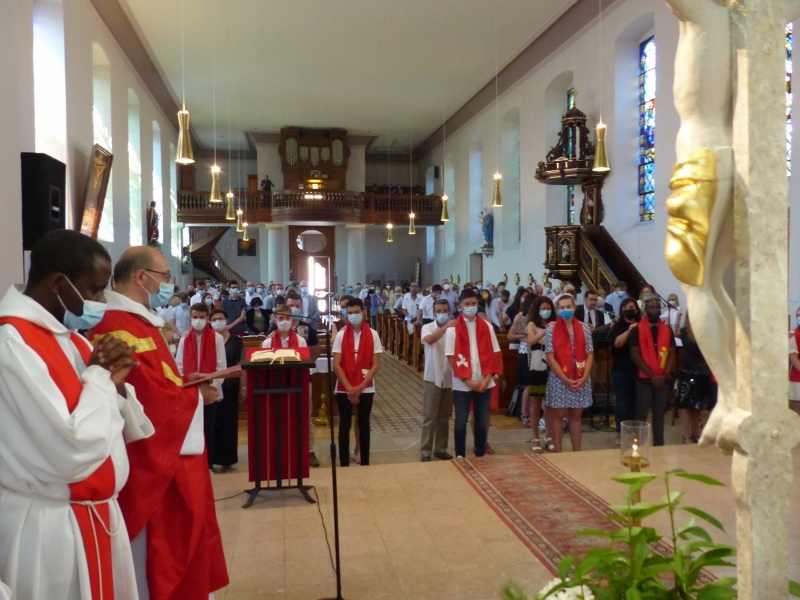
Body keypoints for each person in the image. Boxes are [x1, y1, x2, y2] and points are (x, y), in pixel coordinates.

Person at [0, 230, 151, 600]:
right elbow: (70, 450)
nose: (101, 302)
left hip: (98, 514)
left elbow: (124, 421)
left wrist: (117, 382)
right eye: (94, 290)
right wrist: (100, 376)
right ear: (58, 283)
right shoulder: (12, 344)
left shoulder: (72, 338)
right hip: (51, 527)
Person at [91, 246, 228, 599]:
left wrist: (185, 384)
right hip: (152, 464)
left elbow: (159, 384)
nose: (169, 284)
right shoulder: (117, 326)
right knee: (157, 564)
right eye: (165, 276)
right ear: (141, 277)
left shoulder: (140, 322)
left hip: (171, 452)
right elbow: (146, 399)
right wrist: (197, 397)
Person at [265, 290, 321, 467]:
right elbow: (263, 359)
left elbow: (310, 354)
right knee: (279, 417)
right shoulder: (270, 337)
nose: (284, 321)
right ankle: (282, 450)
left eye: (287, 318)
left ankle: (308, 450)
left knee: (304, 416)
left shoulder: (302, 337)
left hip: (300, 379)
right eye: (280, 318)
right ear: (275, 319)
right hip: (277, 382)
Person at [445, 289, 502, 459]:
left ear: (477, 304)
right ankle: (460, 453)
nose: (470, 307)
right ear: (460, 305)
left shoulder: (487, 326)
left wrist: (487, 379)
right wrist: (466, 379)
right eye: (467, 304)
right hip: (462, 382)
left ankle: (480, 452)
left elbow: (494, 353)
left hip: (484, 380)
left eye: (473, 303)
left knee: (481, 420)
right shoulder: (453, 328)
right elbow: (451, 356)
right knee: (461, 420)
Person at [175, 302, 226, 469]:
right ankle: (193, 467)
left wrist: (210, 388)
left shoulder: (217, 338)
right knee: (191, 430)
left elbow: (221, 367)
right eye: (195, 317)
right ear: (190, 318)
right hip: (189, 392)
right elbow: (179, 366)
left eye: (202, 317)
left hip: (210, 393)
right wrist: (188, 384)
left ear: (207, 318)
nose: (198, 320)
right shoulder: (184, 339)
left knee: (208, 430)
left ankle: (208, 465)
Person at [332, 298, 383, 466]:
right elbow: (336, 364)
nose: (353, 315)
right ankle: (344, 462)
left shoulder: (373, 334)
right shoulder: (341, 335)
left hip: (365, 386)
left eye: (356, 312)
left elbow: (375, 364)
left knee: (364, 424)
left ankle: (365, 460)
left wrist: (360, 388)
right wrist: (349, 388)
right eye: (350, 313)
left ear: (363, 312)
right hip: (344, 387)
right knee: (344, 424)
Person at [544, 293, 595, 452]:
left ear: (574, 307)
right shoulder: (551, 329)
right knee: (558, 416)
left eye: (569, 306)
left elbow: (590, 354)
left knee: (576, 416)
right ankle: (559, 454)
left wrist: (584, 377)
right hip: (560, 378)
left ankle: (577, 453)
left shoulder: (584, 328)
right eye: (562, 307)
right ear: (557, 310)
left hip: (580, 377)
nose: (566, 310)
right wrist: (565, 379)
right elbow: (550, 357)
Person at [630, 293, 677, 446]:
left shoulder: (667, 329)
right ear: (644, 308)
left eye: (657, 306)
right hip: (644, 378)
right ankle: (639, 447)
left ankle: (659, 446)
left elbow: (672, 354)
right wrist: (653, 376)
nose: (655, 309)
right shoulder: (637, 329)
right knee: (641, 413)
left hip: (663, 379)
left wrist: (665, 375)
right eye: (651, 306)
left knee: (659, 414)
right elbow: (635, 355)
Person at [420, 299, 456, 462]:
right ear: (434, 313)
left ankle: (440, 448)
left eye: (445, 311)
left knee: (445, 416)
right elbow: (430, 340)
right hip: (432, 376)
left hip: (449, 376)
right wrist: (444, 328)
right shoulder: (428, 327)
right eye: (439, 311)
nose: (442, 313)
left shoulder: (454, 329)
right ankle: (425, 451)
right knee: (430, 415)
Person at [209, 308, 246, 471]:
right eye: (214, 319)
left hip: (230, 386)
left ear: (226, 320)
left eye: (221, 318)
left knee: (228, 423)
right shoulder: (208, 339)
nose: (218, 321)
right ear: (210, 322)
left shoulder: (236, 340)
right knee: (211, 424)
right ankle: (210, 459)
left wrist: (243, 387)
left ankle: (227, 459)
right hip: (211, 387)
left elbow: (241, 365)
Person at [677, 314, 717, 443]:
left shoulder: (706, 330)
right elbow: (693, 347)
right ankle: (686, 435)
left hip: (702, 371)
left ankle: (695, 433)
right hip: (688, 371)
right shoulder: (684, 331)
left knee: (697, 405)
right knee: (686, 405)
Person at [609, 297, 641, 448]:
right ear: (622, 310)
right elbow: (617, 343)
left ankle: (633, 434)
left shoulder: (642, 324)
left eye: (631, 307)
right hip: (621, 369)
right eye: (626, 307)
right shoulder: (618, 326)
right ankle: (620, 434)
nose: (629, 309)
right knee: (622, 403)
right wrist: (629, 330)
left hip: (639, 370)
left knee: (636, 404)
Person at [527, 295, 556, 452]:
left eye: (548, 308)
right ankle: (535, 436)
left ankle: (549, 435)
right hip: (537, 363)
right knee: (536, 401)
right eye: (543, 308)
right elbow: (531, 340)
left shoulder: (555, 323)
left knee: (550, 403)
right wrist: (546, 331)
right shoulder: (532, 324)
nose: (546, 311)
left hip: (553, 363)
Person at [507, 294, 534, 425]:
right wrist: (524, 334)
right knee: (527, 384)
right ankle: (524, 412)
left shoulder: (539, 318)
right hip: (525, 352)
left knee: (537, 385)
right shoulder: (520, 317)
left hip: (538, 352)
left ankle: (535, 412)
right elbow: (510, 335)